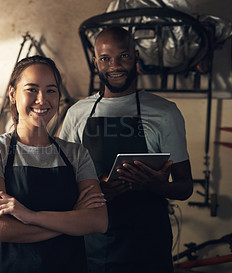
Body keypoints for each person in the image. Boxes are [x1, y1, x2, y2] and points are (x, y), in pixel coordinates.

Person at [60, 26, 194, 273]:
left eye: (123, 56)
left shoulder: (165, 112)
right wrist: (97, 190)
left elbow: (185, 186)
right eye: (105, 58)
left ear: (136, 57)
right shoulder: (77, 114)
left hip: (148, 246)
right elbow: (62, 184)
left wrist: (157, 185)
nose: (115, 65)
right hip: (93, 245)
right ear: (95, 62)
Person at [0, 55, 108, 273]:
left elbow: (98, 221)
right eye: (31, 89)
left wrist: (30, 216)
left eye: (51, 90)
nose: (42, 100)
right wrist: (71, 221)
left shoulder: (76, 154)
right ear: (13, 94)